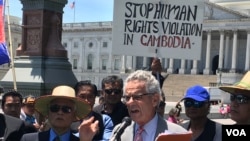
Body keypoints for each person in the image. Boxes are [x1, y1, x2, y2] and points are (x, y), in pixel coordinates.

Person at [110, 70, 187, 141]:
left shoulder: (177, 135)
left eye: (137, 97)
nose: (130, 102)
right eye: (127, 98)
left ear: (155, 100)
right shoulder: (120, 132)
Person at [20, 85, 91, 141]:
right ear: (48, 113)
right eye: (54, 108)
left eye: (66, 109)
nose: (60, 112)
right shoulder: (28, 139)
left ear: (74, 115)